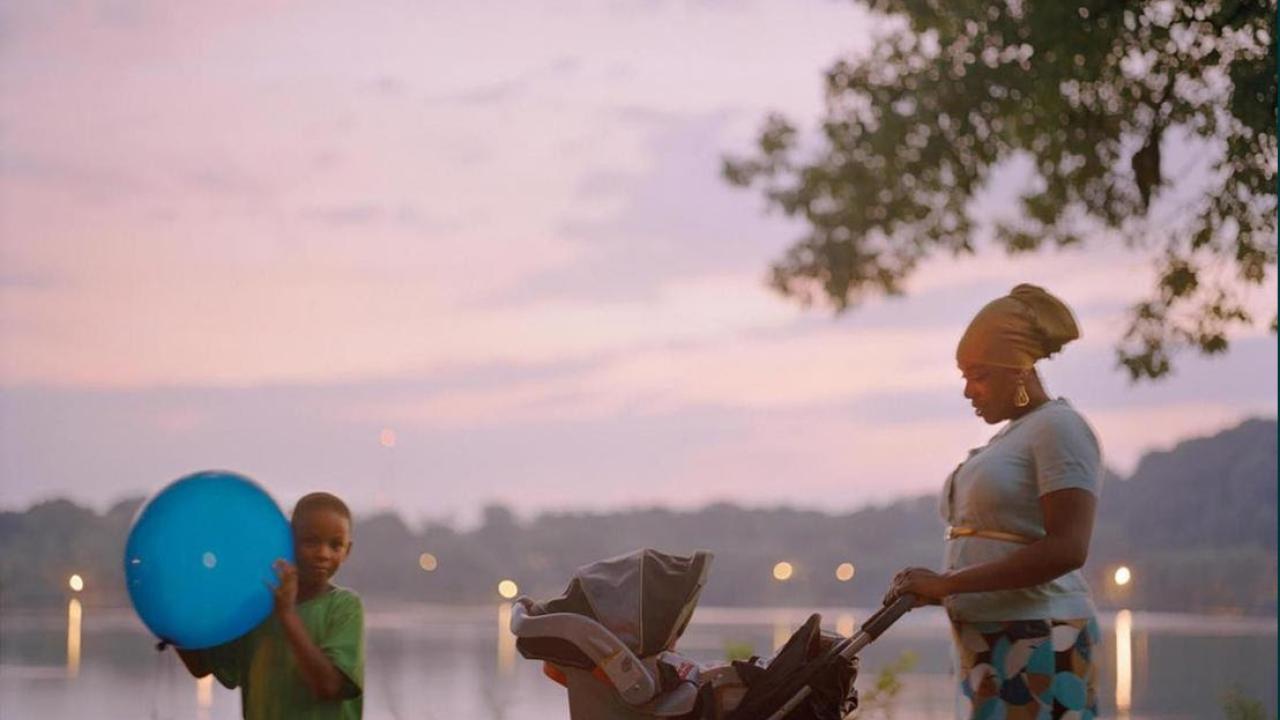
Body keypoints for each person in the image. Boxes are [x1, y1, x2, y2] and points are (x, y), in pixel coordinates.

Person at [886, 284, 1103, 719]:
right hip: (990, 636)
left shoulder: (1059, 427)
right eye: (964, 376)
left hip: (1039, 636)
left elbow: (1067, 548)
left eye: (979, 375)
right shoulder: (1009, 437)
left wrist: (948, 584)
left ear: (1019, 370)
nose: (969, 390)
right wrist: (937, 589)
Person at [176, 491, 365, 719]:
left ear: (347, 551)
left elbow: (328, 686)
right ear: (288, 540)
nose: (323, 554)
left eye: (335, 545)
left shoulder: (345, 606)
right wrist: (171, 619)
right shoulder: (258, 609)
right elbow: (201, 667)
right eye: (311, 541)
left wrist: (287, 615)